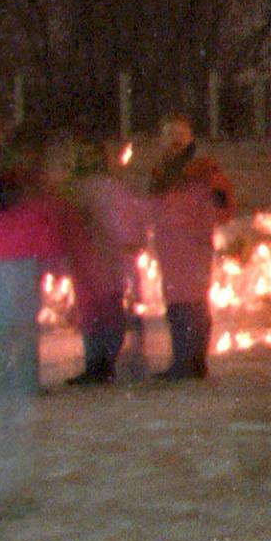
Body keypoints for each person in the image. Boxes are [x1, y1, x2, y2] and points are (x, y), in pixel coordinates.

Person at [143, 118, 230, 381]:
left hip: (192, 248)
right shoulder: (161, 175)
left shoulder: (203, 173)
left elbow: (223, 206)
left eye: (178, 137)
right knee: (181, 305)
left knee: (190, 305)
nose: (173, 144)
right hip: (172, 250)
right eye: (168, 137)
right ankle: (187, 362)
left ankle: (190, 363)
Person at [0, 132, 59, 515]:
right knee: (20, 348)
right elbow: (46, 239)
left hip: (15, 271)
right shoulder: (28, 202)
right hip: (19, 273)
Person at [64, 142, 138, 385]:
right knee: (102, 310)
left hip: (97, 256)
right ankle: (100, 363)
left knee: (99, 310)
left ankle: (99, 363)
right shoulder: (107, 188)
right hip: (96, 257)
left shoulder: (82, 189)